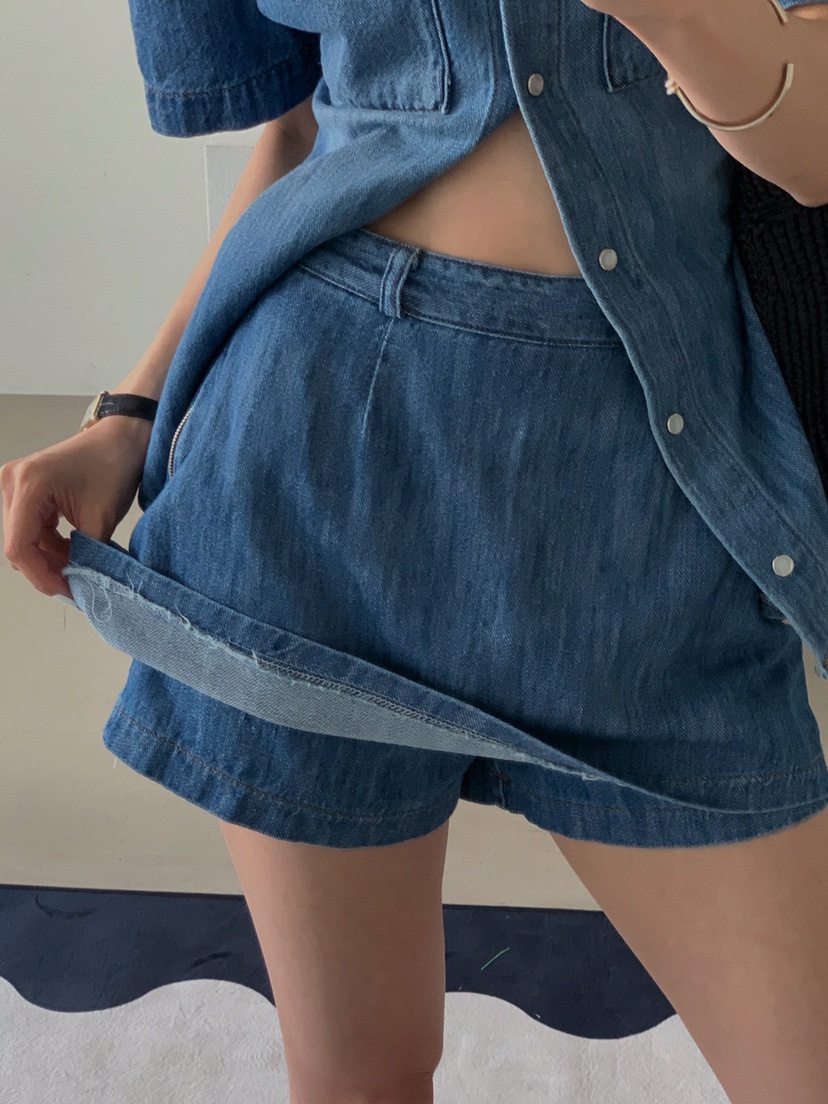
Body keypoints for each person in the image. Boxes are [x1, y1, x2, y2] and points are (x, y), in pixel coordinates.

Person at [4, 1, 828, 1100]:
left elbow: (815, 154)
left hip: (645, 501)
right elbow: (294, 137)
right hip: (313, 475)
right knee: (361, 1075)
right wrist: (131, 411)